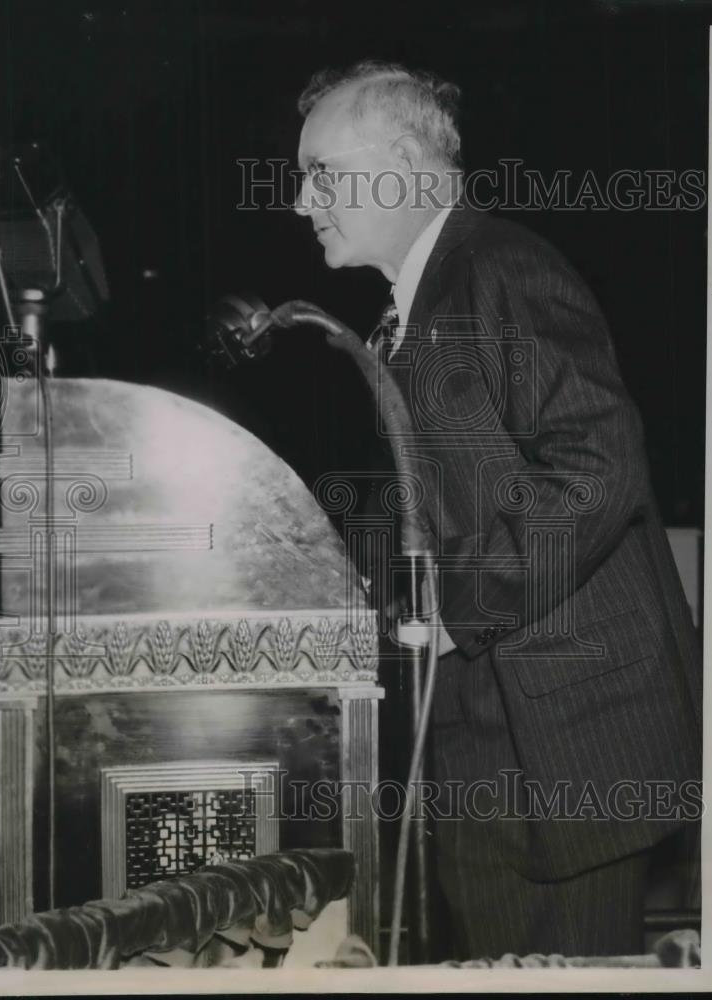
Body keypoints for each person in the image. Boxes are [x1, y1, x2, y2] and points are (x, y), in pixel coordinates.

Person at [293, 60, 702, 960]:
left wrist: (455, 606)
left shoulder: (499, 267)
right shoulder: (421, 302)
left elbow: (596, 465)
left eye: (321, 171)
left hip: (563, 748)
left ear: (403, 164)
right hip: (492, 736)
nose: (299, 200)